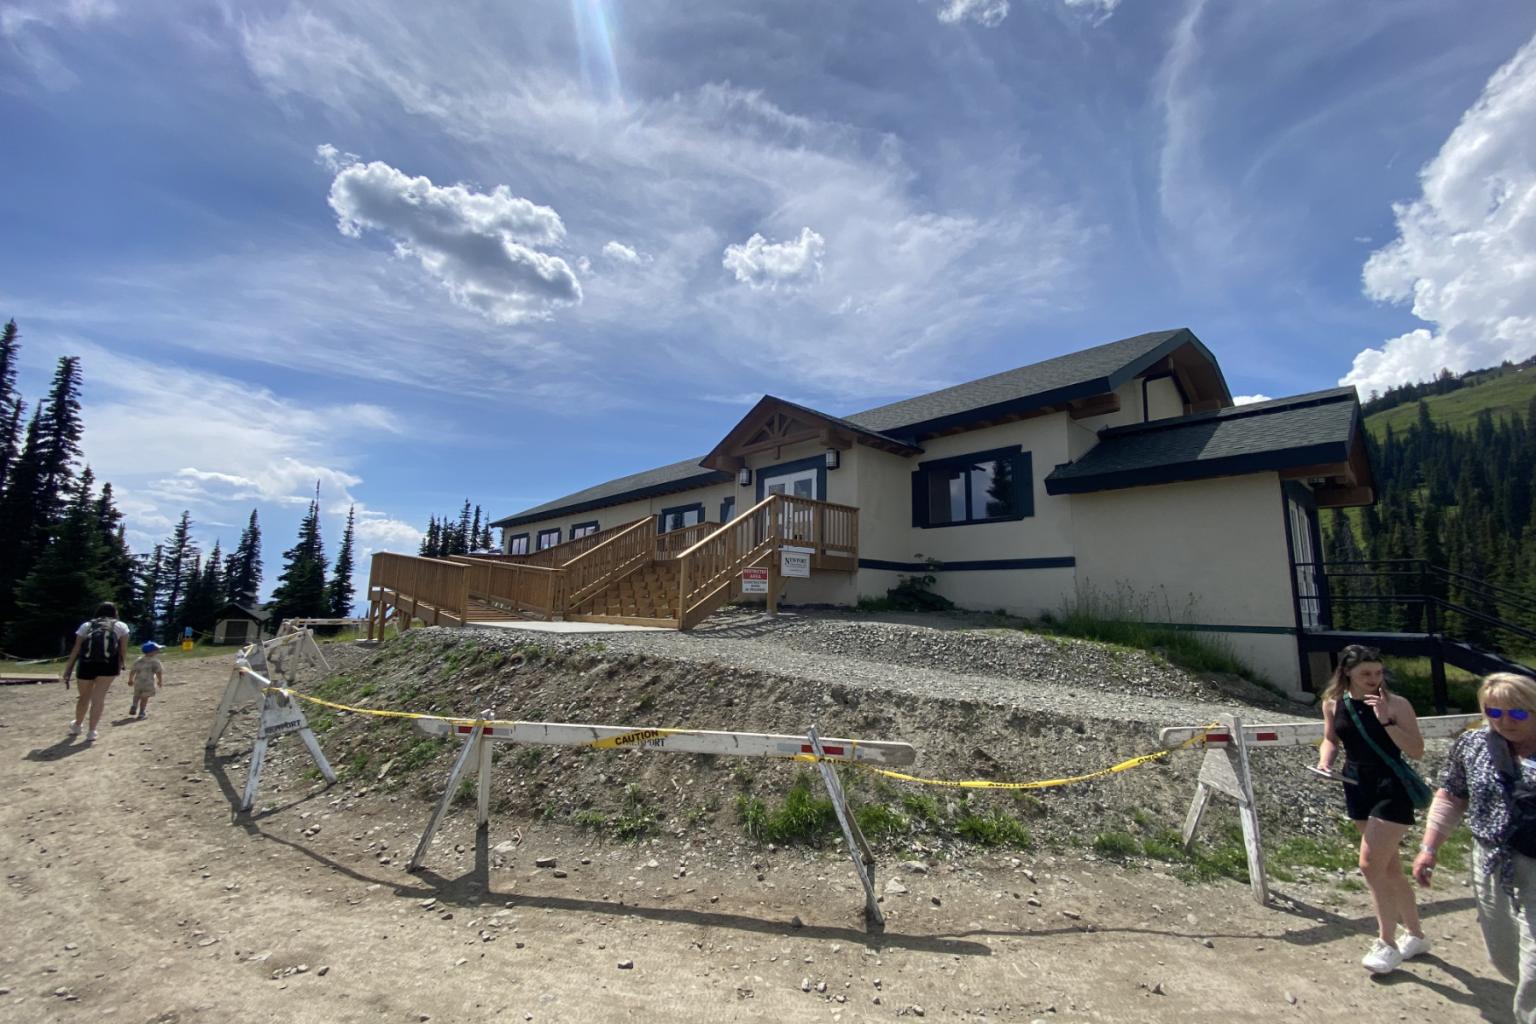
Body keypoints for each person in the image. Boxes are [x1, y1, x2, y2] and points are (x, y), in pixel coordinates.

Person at [1414, 672, 1536, 1021]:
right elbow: (1451, 796)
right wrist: (1430, 848)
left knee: (1535, 963)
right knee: (1504, 954)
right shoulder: (1473, 745)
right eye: (1494, 713)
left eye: (1518, 713)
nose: (1506, 722)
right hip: (1491, 862)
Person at [1316, 643, 1428, 973]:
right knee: (1388, 867)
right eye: (1366, 674)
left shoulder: (1397, 704)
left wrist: (1388, 722)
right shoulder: (1333, 704)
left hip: (1391, 785)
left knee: (1368, 864)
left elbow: (1417, 750)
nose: (1373, 679)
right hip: (1356, 785)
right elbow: (1331, 739)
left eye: (1378, 673)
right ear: (1346, 672)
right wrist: (1325, 762)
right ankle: (1417, 935)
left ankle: (1386, 943)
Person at [59, 601, 130, 742]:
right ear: (115, 612)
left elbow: (76, 648)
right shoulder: (121, 626)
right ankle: (92, 731)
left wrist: (68, 669)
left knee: (84, 697)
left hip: (86, 664)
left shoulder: (87, 625)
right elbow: (123, 649)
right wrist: (121, 664)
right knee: (99, 698)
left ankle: (77, 725)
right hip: (108, 665)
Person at [127, 641, 164, 720]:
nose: (159, 651)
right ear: (153, 651)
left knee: (136, 694)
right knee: (145, 697)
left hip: (138, 682)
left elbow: (133, 670)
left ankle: (134, 705)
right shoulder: (155, 661)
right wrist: (160, 681)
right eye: (157, 649)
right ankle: (141, 712)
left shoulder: (139, 660)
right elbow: (159, 672)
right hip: (148, 682)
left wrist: (130, 679)